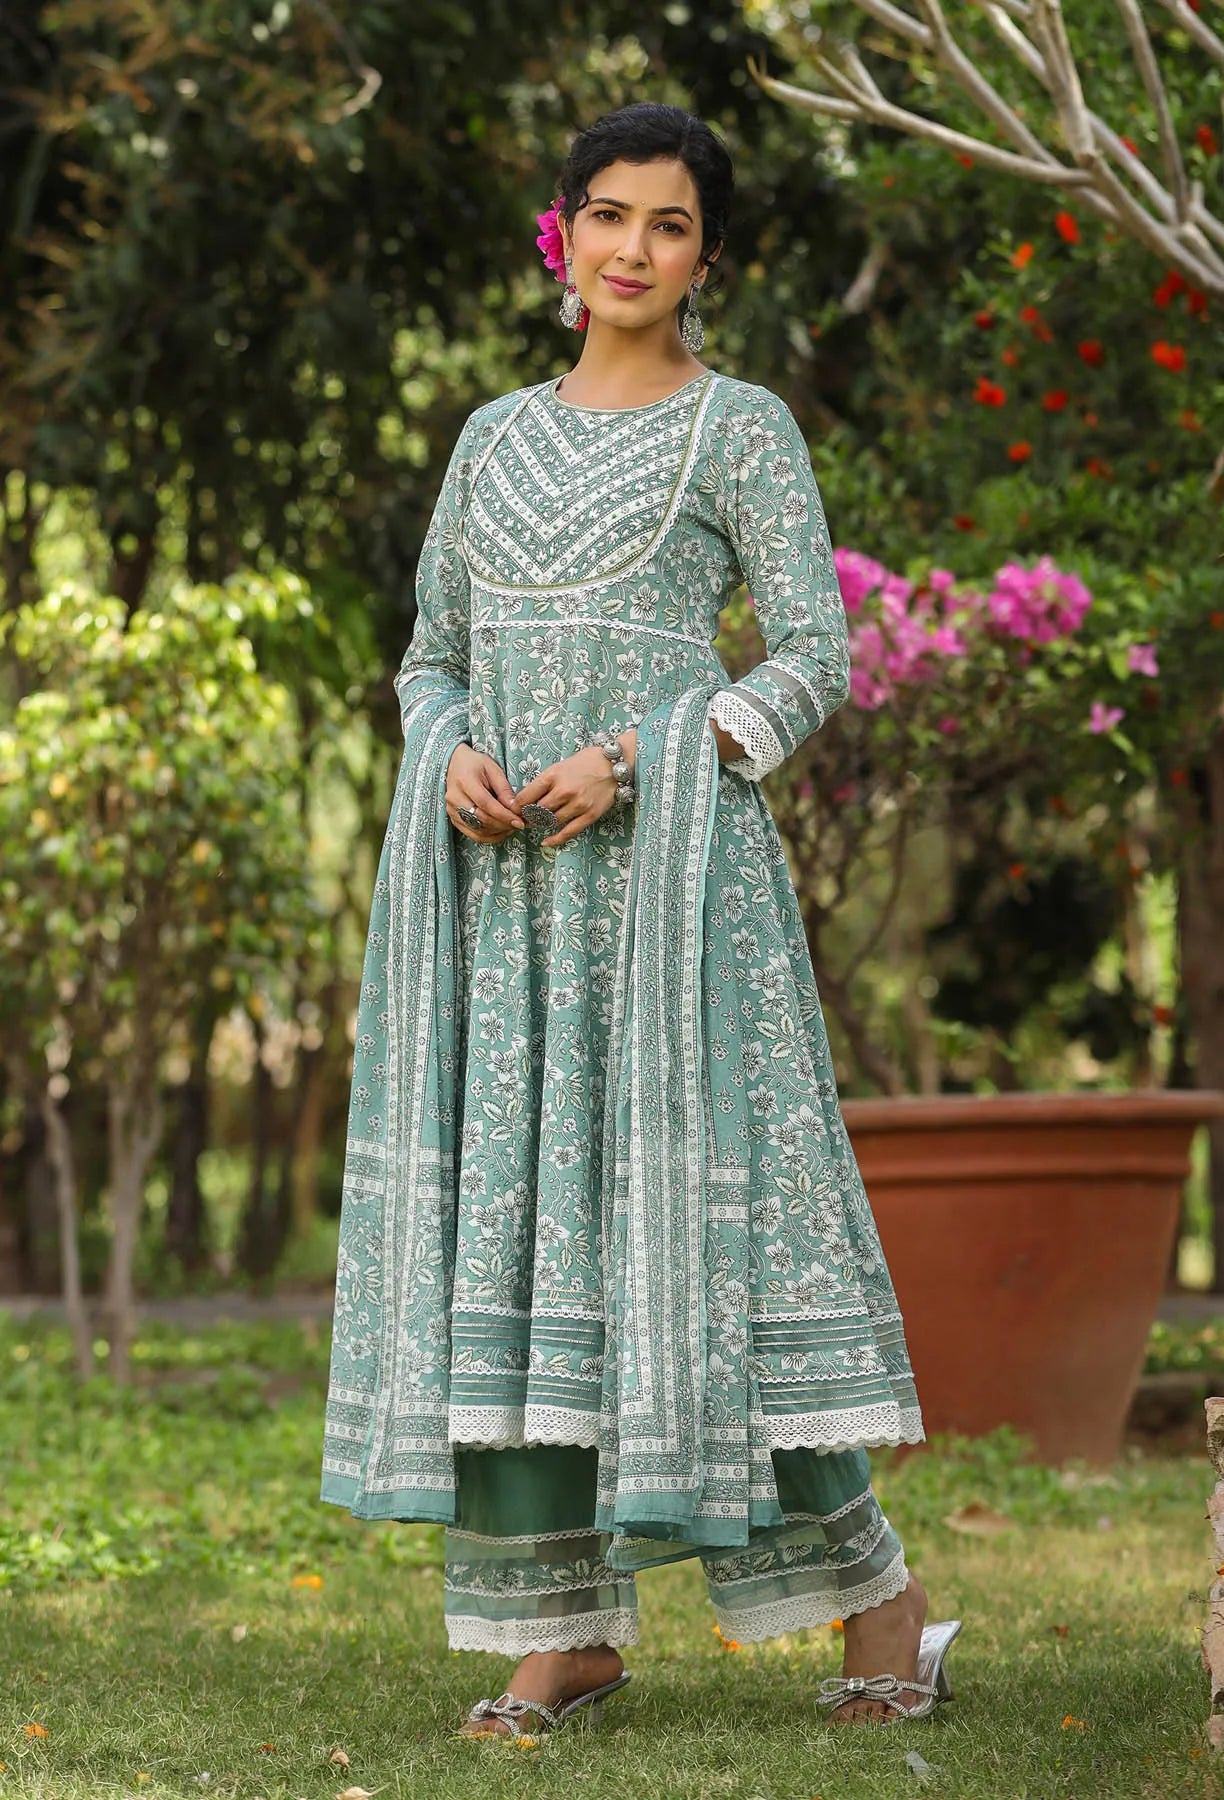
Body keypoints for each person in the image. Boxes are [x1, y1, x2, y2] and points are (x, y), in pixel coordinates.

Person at [320, 101, 963, 1735]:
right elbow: (428, 654)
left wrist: (640, 759)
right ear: (562, 231)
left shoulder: (737, 426)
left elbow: (814, 653)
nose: (631, 250)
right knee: (531, 1245)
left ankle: (875, 1604)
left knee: (713, 1247)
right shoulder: (487, 439)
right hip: (514, 915)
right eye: (605, 216)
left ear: (706, 257)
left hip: (677, 914)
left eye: (667, 226)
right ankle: (565, 1630)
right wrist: (446, 747)